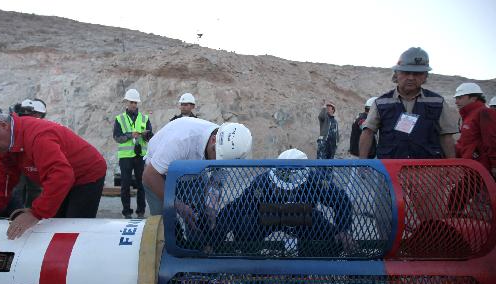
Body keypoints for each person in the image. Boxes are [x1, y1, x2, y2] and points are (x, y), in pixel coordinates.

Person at [0, 102, 107, 239]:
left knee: (73, 227)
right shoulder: (7, 144)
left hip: (87, 173)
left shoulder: (38, 136)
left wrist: (35, 213)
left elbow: (61, 176)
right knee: (54, 221)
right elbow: (2, 174)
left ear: (2, 125)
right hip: (62, 173)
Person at [176, 149, 356, 257]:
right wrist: (212, 241)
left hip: (305, 219)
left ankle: (307, 267)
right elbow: (236, 208)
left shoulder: (316, 181)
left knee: (333, 237)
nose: (287, 193)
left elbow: (342, 202)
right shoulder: (263, 182)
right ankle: (254, 270)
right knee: (245, 224)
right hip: (268, 216)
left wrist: (343, 230)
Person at [359, 47, 457, 159]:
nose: (411, 77)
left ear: (425, 76)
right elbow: (368, 133)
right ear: (396, 74)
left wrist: (452, 165)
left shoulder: (438, 102)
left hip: (428, 171)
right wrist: (363, 163)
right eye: (406, 72)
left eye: (417, 73)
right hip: (391, 169)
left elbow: (446, 136)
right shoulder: (381, 103)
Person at [142, 118, 252, 216]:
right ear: (213, 140)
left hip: (193, 172)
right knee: (164, 226)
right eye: (217, 158)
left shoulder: (227, 150)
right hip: (158, 175)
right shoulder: (181, 140)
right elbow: (149, 175)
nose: (217, 164)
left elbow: (215, 185)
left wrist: (211, 212)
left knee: (201, 221)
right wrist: (179, 206)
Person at [113, 89, 153, 219]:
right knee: (125, 184)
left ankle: (141, 211)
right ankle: (127, 212)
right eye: (131, 102)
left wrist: (146, 134)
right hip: (125, 157)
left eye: (135, 102)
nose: (134, 105)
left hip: (140, 155)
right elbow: (117, 137)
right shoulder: (120, 119)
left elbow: (150, 138)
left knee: (142, 184)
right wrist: (131, 135)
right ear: (127, 102)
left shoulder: (144, 118)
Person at [11, 98, 48, 208]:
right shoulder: (16, 124)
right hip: (21, 161)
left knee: (32, 190)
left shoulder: (13, 122)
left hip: (30, 161)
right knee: (18, 190)